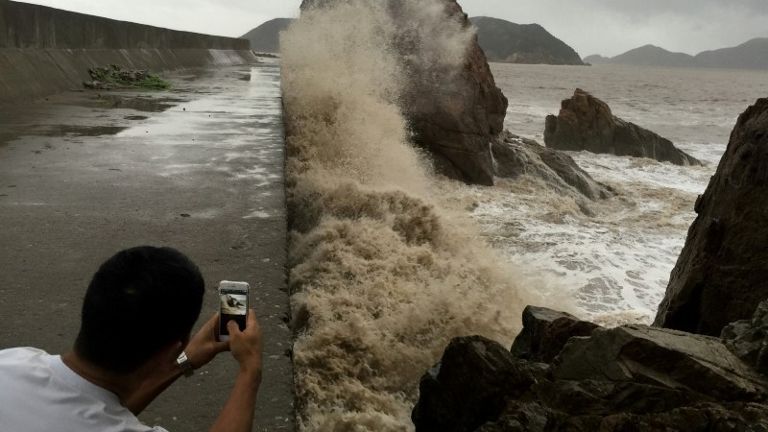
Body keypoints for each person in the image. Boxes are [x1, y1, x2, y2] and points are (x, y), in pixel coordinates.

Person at [0, 246, 263, 432]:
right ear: (169, 350)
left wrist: (184, 361)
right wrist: (249, 369)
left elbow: (98, 410)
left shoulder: (12, 359)